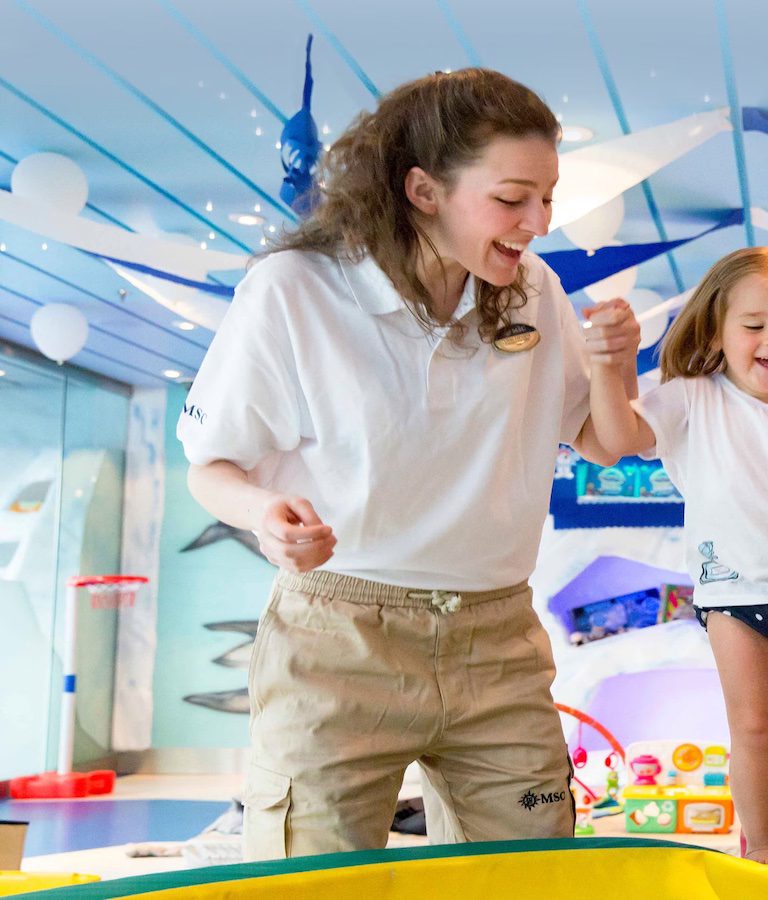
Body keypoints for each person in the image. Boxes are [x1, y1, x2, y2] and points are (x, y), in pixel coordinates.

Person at [178, 68, 639, 859]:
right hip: (338, 639)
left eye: (548, 197)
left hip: (497, 640)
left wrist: (614, 365)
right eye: (512, 198)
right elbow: (211, 467)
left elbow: (609, 442)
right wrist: (266, 514)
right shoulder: (296, 290)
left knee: (530, 879)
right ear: (424, 190)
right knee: (311, 880)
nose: (538, 221)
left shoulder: (533, 290)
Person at [584, 246, 768, 864]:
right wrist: (609, 368)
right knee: (756, 727)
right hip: (735, 596)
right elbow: (615, 441)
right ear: (718, 329)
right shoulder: (690, 397)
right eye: (754, 325)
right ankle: (762, 848)